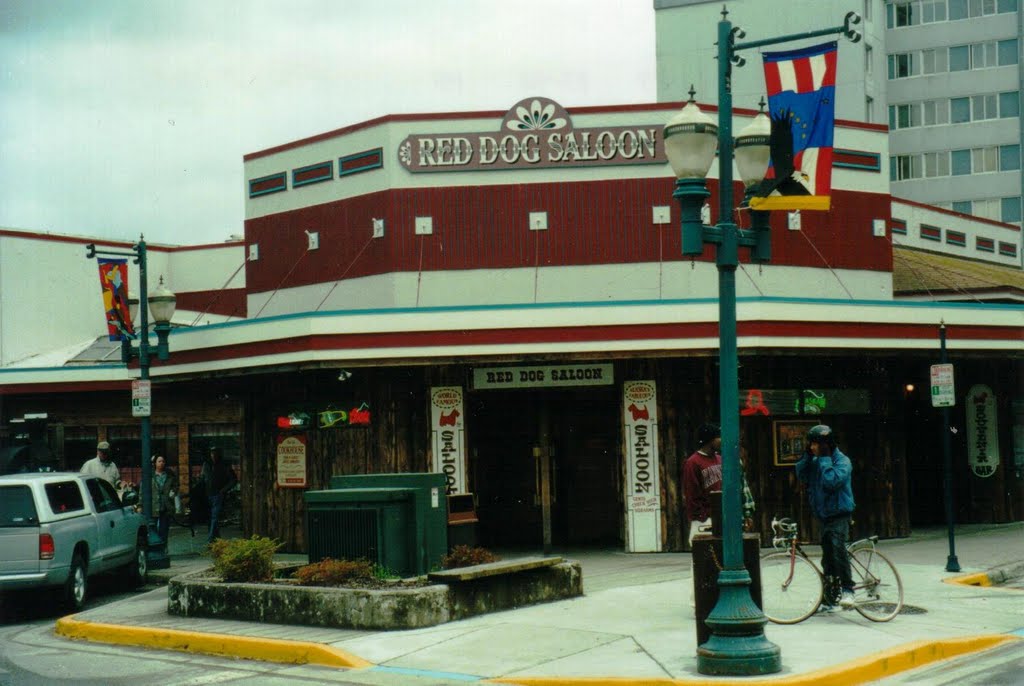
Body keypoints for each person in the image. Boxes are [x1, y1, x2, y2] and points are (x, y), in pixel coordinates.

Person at [795, 424, 856, 611]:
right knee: (827, 557)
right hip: (824, 515)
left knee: (838, 549)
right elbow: (801, 474)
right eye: (810, 444)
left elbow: (831, 482)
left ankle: (848, 590)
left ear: (825, 445)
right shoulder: (816, 460)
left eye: (815, 444)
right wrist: (807, 456)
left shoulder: (842, 461)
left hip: (839, 513)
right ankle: (830, 597)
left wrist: (823, 459)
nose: (812, 447)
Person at [683, 423, 722, 546]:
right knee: (703, 558)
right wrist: (703, 517)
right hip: (704, 520)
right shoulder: (692, 462)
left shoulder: (720, 459)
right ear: (709, 440)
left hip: (721, 517)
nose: (722, 440)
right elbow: (691, 493)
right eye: (718, 437)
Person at [201, 446, 237, 544]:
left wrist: (223, 490)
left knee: (214, 517)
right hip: (208, 494)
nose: (213, 455)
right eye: (212, 453)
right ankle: (216, 539)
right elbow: (203, 479)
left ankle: (210, 539)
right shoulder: (207, 465)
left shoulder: (224, 465)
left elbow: (233, 480)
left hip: (217, 494)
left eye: (215, 453)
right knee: (211, 518)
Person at [150, 455, 179, 544]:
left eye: (163, 461)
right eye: (159, 461)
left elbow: (175, 485)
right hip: (154, 504)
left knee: (164, 529)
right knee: (153, 527)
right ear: (155, 463)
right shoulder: (151, 476)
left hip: (166, 505)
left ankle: (163, 546)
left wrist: (173, 492)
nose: (161, 463)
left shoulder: (169, 475)